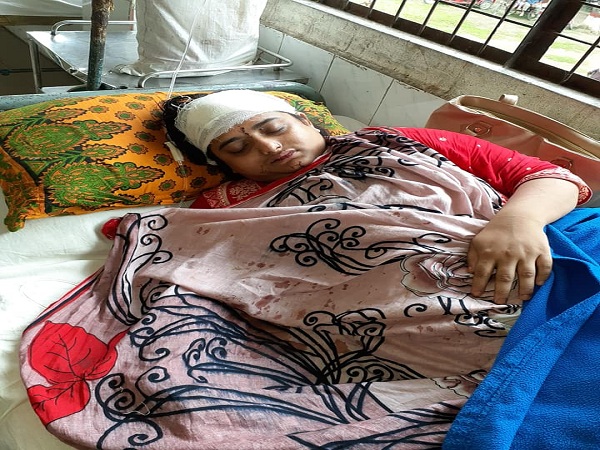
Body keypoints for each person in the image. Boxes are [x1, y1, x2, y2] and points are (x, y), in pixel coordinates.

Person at [163, 89, 589, 304]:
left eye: (275, 128)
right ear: (225, 164)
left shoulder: (401, 141)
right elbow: (189, 259)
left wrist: (518, 223)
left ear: (306, 120)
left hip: (543, 247)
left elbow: (551, 177)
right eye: (238, 148)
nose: (270, 147)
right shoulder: (227, 205)